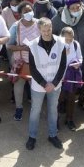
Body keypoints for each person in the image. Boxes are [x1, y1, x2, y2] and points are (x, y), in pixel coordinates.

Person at [25, 17, 67, 150]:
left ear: (52, 27)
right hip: (39, 86)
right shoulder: (32, 45)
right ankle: (32, 137)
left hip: (55, 85)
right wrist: (45, 84)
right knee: (35, 111)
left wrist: (53, 83)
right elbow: (32, 69)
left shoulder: (61, 42)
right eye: (44, 30)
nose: (47, 32)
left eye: (49, 29)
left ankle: (53, 135)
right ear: (39, 30)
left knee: (53, 110)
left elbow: (62, 65)